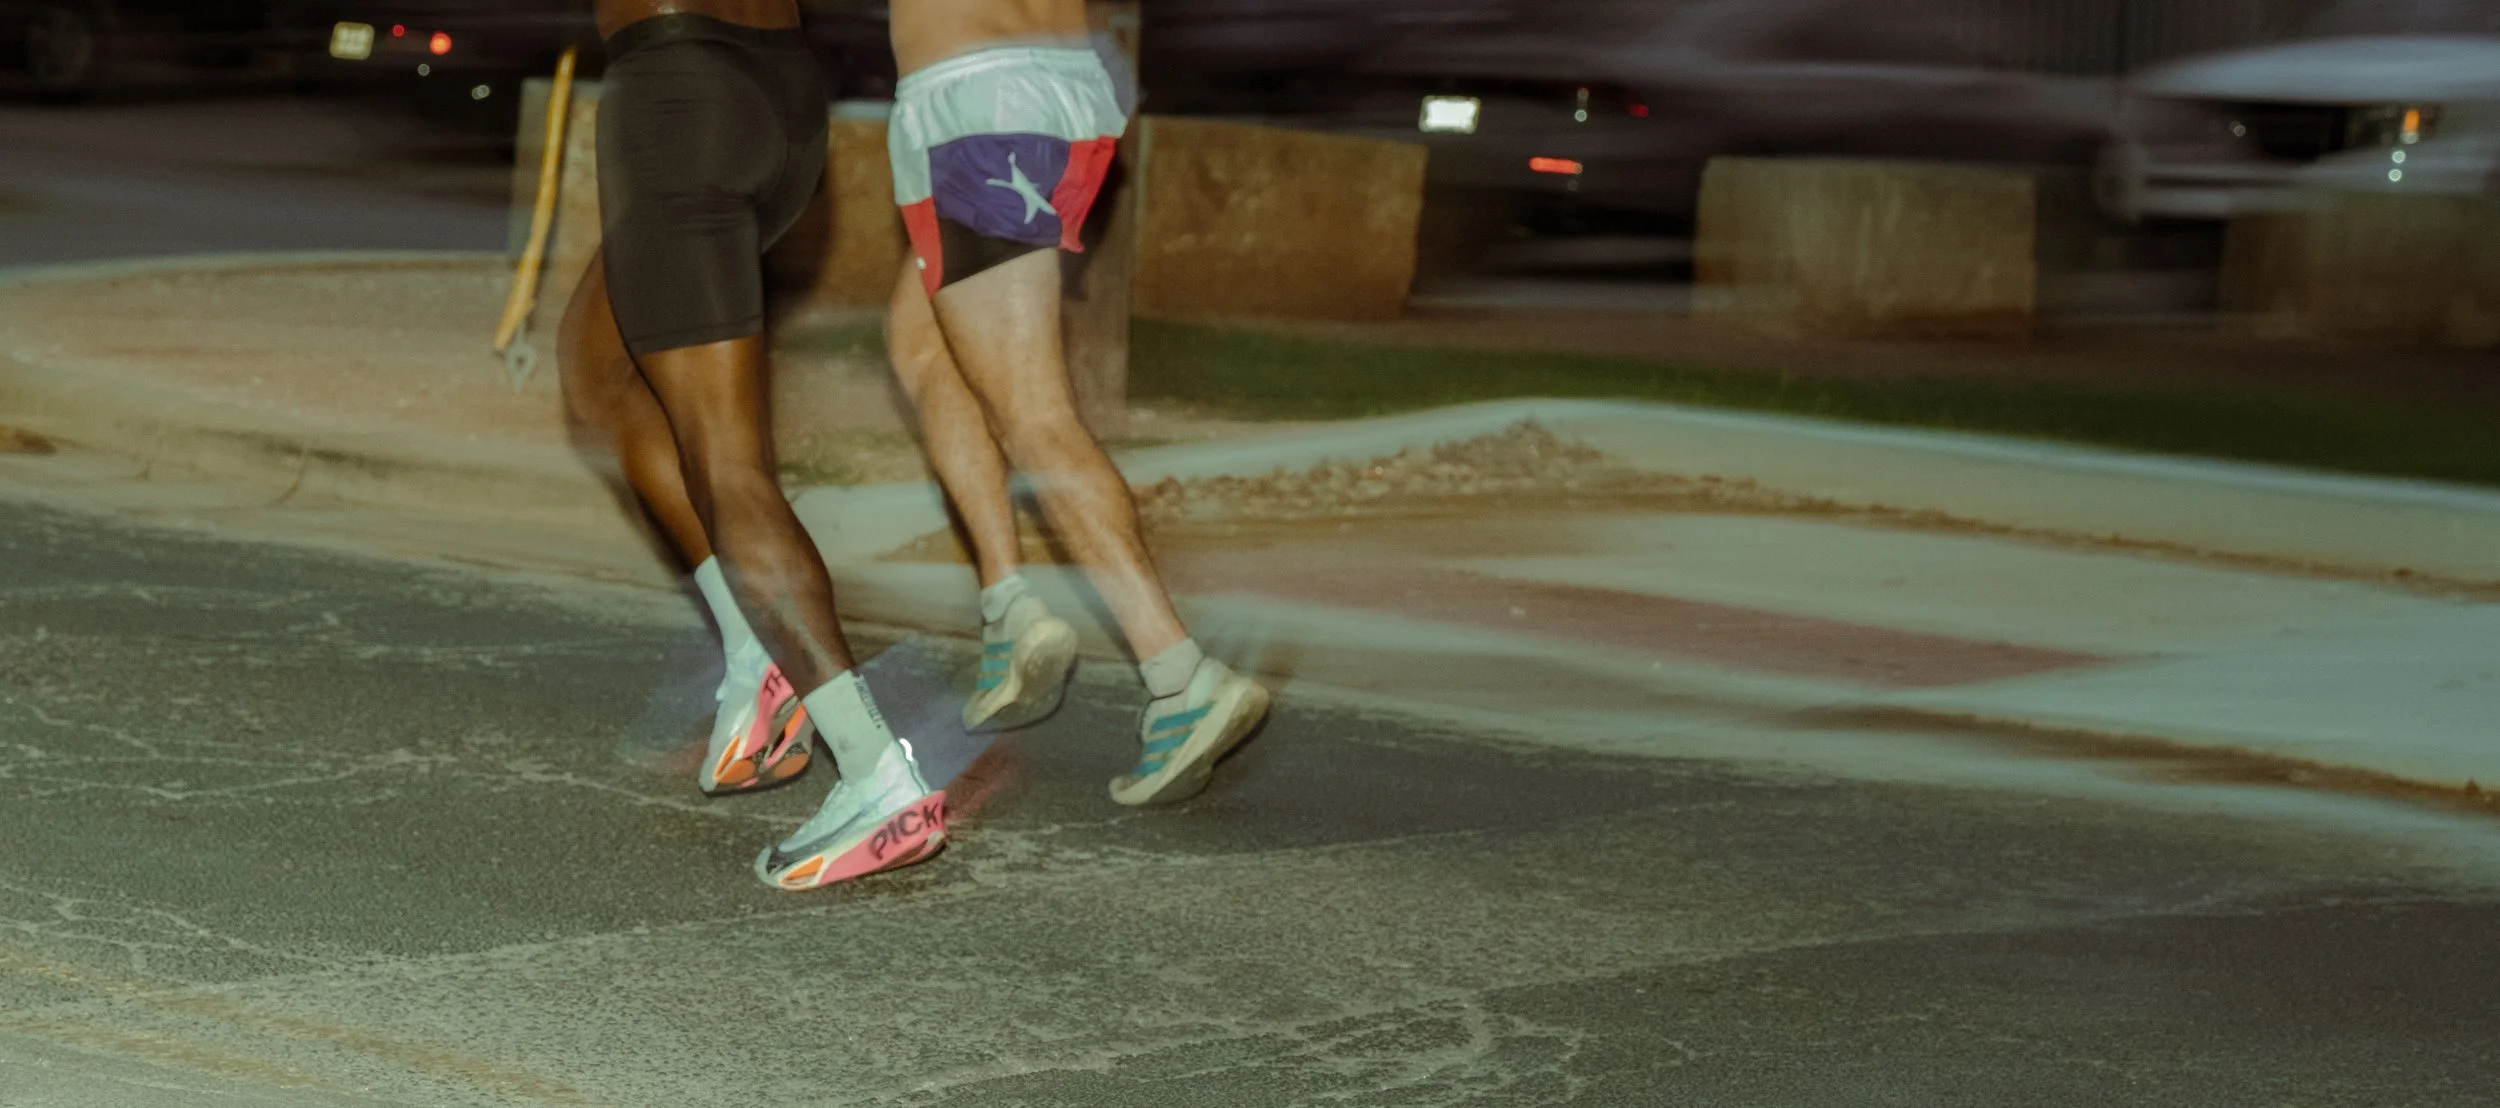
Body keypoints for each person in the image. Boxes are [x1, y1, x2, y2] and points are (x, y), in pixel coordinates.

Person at [559, 0, 943, 891]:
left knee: (726, 463)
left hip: (677, 88)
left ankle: (877, 773)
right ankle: (756, 655)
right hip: (781, 95)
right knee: (601, 368)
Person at [882, 0, 1270, 806]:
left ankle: (1180, 675)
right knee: (924, 346)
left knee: (1032, 412)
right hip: (1056, 85)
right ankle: (1009, 608)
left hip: (975, 98)